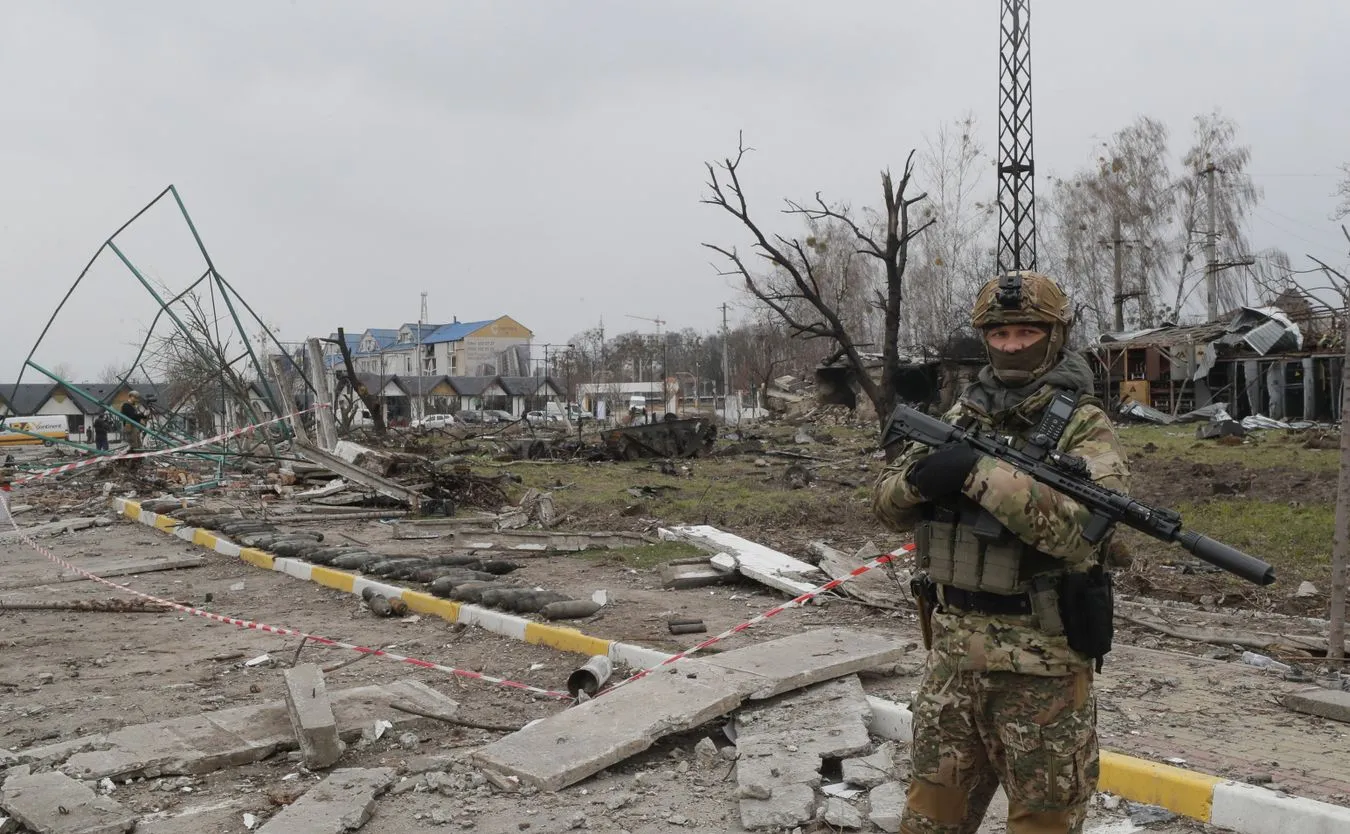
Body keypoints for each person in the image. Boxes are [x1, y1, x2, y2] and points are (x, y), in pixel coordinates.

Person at [872, 271, 1130, 834]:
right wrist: (920, 480)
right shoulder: (961, 416)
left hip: (1042, 671)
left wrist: (978, 472)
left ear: (1055, 336)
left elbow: (1077, 532)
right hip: (952, 661)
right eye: (1000, 333)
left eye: (1027, 332)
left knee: (1043, 825)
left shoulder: (1085, 426)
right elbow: (886, 505)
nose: (1012, 345)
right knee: (927, 824)